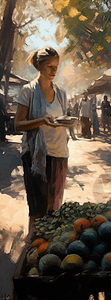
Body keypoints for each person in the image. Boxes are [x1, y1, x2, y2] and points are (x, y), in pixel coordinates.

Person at [14, 46, 69, 231]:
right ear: (39, 66)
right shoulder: (28, 91)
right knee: (37, 211)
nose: (54, 71)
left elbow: (62, 119)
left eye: (56, 66)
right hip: (36, 156)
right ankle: (32, 249)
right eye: (50, 67)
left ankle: (49, 253)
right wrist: (41, 121)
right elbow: (18, 124)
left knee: (55, 209)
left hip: (59, 153)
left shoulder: (61, 93)